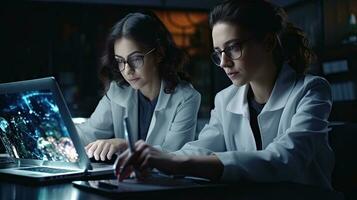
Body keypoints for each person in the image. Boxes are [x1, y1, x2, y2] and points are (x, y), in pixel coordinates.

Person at [115, 0, 334, 189]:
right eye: (218, 52)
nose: (223, 63)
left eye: (233, 48)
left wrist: (176, 163)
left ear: (267, 42)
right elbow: (201, 148)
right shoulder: (225, 99)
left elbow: (285, 159)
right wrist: (154, 155)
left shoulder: (311, 90)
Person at [76, 11, 201, 161]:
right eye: (120, 61)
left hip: (168, 183)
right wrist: (52, 133)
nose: (127, 70)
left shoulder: (186, 98)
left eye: (135, 59)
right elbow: (87, 134)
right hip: (126, 182)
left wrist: (125, 146)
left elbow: (172, 156)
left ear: (159, 54)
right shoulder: (117, 91)